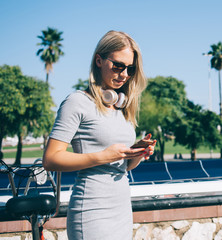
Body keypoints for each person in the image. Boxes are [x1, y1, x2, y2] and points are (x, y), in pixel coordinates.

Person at [43, 30, 156, 240]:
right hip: (92, 211)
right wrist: (105, 155)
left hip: (121, 208)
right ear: (99, 60)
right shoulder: (77, 102)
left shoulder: (121, 107)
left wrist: (136, 153)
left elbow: (122, 166)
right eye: (118, 66)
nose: (124, 74)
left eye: (130, 69)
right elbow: (50, 159)